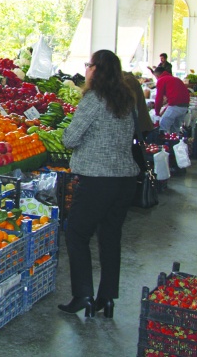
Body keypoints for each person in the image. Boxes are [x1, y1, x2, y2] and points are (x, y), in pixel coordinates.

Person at [58, 50, 139, 319]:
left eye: (88, 65)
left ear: (96, 70)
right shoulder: (126, 98)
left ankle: (83, 295)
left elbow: (70, 139)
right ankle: (107, 297)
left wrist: (69, 134)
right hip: (124, 180)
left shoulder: (93, 99)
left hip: (97, 180)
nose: (86, 70)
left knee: (76, 234)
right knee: (110, 236)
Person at [153, 66, 190, 133]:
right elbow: (175, 97)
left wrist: (157, 114)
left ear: (157, 75)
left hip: (175, 106)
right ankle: (175, 142)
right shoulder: (176, 79)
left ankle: (162, 142)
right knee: (175, 129)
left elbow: (159, 99)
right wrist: (164, 110)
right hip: (185, 106)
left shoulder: (161, 80)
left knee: (163, 128)